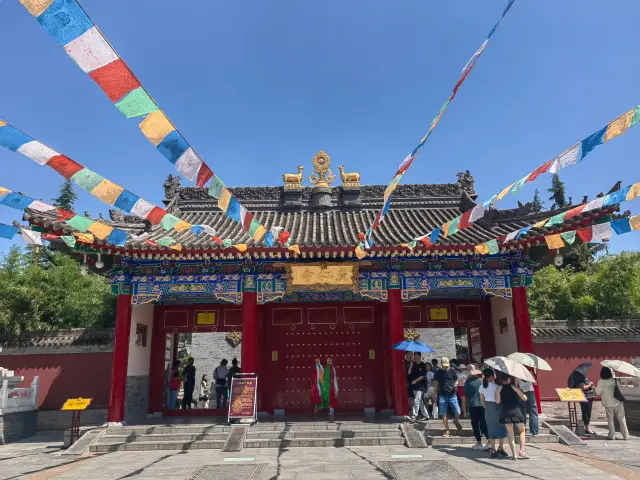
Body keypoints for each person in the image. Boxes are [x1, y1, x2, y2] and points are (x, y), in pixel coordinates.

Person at [496, 374, 528, 460]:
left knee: (510, 434)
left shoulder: (499, 388)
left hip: (505, 411)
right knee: (521, 430)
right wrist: (521, 391)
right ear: (509, 379)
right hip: (515, 410)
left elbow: (498, 402)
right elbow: (525, 398)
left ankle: (514, 455)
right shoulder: (514, 387)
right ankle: (522, 450)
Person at [479, 368, 508, 458]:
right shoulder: (496, 386)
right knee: (501, 426)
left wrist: (485, 407)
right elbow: (498, 399)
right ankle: (500, 447)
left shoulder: (482, 387)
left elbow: (482, 399)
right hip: (497, 406)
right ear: (491, 376)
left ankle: (493, 448)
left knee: (490, 427)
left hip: (488, 407)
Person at [596, 367, 630, 440]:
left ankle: (611, 435)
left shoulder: (601, 382)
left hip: (608, 403)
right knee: (621, 419)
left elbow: (597, 392)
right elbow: (621, 390)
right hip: (617, 402)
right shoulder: (615, 380)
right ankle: (626, 435)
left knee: (610, 419)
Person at [434, 357, 463, 436]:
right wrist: (435, 394)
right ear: (441, 364)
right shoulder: (438, 372)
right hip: (443, 395)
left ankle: (456, 421)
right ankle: (447, 430)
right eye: (444, 365)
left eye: (447, 365)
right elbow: (436, 383)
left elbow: (456, 379)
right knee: (443, 413)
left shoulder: (452, 371)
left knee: (458, 411)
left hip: (452, 394)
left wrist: (456, 384)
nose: (445, 367)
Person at [464, 367, 490, 450]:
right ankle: (489, 441)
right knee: (484, 423)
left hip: (472, 404)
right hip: (482, 404)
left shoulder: (468, 382)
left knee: (475, 425)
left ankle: (479, 443)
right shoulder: (482, 381)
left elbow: (466, 393)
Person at [568, 367, 596, 434]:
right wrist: (590, 384)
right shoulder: (580, 378)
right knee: (587, 412)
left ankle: (586, 427)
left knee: (587, 411)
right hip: (586, 397)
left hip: (588, 396)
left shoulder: (580, 377)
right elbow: (583, 387)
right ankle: (587, 428)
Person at [407, 352, 430, 421]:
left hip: (421, 385)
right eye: (414, 355)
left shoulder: (423, 365)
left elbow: (423, 375)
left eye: (416, 355)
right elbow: (409, 373)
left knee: (416, 400)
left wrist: (416, 381)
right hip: (414, 385)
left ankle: (414, 416)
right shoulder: (413, 364)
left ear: (419, 356)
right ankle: (426, 415)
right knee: (420, 401)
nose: (415, 357)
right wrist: (410, 366)